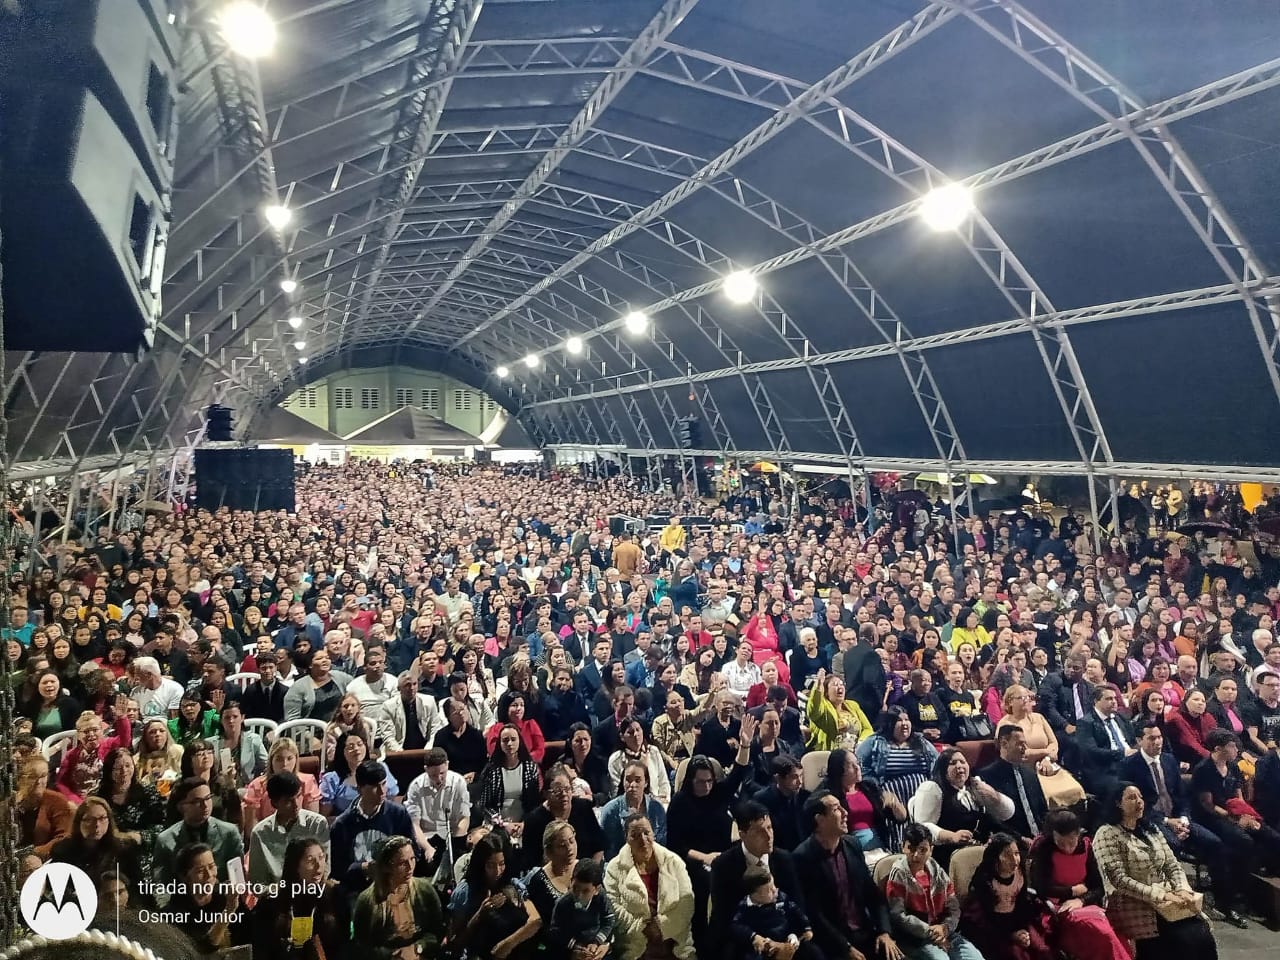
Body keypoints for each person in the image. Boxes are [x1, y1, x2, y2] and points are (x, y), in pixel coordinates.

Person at [1118, 720, 1238, 926]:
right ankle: (1175, 903)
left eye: (1159, 737)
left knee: (1215, 844)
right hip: (1151, 820)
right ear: (1139, 741)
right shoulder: (1129, 766)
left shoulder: (1168, 760)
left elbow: (1182, 797)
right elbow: (1135, 807)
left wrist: (1183, 819)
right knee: (1171, 845)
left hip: (1179, 818)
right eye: (1152, 738)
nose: (1157, 742)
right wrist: (1167, 821)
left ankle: (1222, 903)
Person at [1093, 783, 1217, 960]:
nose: (1139, 802)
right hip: (1132, 901)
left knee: (1201, 934)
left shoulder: (1151, 829)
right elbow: (1118, 880)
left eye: (1140, 797)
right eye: (1131, 798)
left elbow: (1172, 864)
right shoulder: (1106, 833)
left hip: (1168, 898)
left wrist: (1182, 888)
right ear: (1117, 803)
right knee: (1182, 941)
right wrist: (1161, 896)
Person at [792, 791, 902, 960]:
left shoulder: (852, 844)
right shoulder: (802, 857)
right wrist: (845, 948)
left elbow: (873, 895)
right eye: (837, 809)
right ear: (819, 820)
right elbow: (815, 914)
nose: (845, 813)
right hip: (833, 943)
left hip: (865, 932)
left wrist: (884, 932)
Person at [1026, 810, 1130, 960]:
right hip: (1057, 908)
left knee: (1114, 930)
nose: (1067, 848)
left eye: (1071, 842)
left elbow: (1098, 887)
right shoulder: (1044, 849)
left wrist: (1081, 900)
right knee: (1102, 933)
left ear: (1078, 834)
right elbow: (1041, 887)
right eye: (1061, 843)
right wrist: (1072, 891)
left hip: (1085, 904)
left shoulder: (1086, 847)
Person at [709, 800, 804, 958]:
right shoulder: (723, 865)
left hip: (783, 933)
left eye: (770, 828)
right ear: (742, 834)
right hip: (745, 937)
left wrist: (789, 940)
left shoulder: (784, 859)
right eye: (760, 832)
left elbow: (798, 903)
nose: (769, 836)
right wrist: (754, 938)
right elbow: (723, 916)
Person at [604, 813, 696, 960]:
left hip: (675, 943)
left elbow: (687, 903)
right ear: (626, 838)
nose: (643, 840)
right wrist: (643, 928)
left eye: (647, 833)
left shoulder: (673, 861)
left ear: (653, 833)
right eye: (635, 835)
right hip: (635, 946)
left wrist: (661, 926)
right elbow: (612, 907)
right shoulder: (615, 868)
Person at [884, 824, 984, 960]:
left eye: (922, 850)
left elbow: (953, 906)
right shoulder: (899, 874)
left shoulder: (937, 871)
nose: (916, 855)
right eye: (911, 849)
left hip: (943, 930)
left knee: (975, 957)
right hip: (916, 937)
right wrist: (931, 932)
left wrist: (945, 927)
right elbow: (899, 916)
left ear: (931, 850)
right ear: (903, 847)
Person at [1189, 727, 1280, 873]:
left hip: (1236, 811)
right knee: (1244, 840)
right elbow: (1208, 805)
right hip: (1214, 817)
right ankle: (1243, 881)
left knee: (1271, 835)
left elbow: (1239, 797)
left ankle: (1271, 872)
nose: (1236, 750)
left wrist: (1246, 815)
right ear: (1218, 749)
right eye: (1232, 746)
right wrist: (1236, 820)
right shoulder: (1203, 770)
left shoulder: (1233, 766)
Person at [331, 760, 422, 902]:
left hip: (394, 884)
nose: (382, 791)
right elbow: (337, 868)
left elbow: (414, 852)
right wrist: (363, 868)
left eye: (384, 784)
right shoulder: (343, 824)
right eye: (375, 786)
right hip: (357, 889)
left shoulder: (398, 814)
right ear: (360, 789)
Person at [909, 747, 1013, 867]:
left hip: (979, 852)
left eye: (963, 762)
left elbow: (1006, 814)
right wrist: (952, 836)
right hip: (947, 856)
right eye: (952, 763)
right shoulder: (932, 788)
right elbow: (923, 826)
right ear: (943, 769)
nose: (959, 766)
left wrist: (993, 795)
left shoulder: (973, 789)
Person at [449, 832, 541, 960]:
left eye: (501, 864)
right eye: (491, 865)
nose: (497, 871)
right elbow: (455, 941)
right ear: (481, 864)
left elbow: (536, 921)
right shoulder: (465, 891)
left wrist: (507, 945)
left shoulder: (514, 885)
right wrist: (480, 913)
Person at [253, 836, 347, 960]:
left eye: (321, 857)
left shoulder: (334, 896)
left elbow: (343, 944)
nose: (318, 865)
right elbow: (261, 947)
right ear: (295, 865)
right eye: (310, 860)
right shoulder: (272, 901)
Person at [959, 834, 1052, 960]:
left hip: (1016, 920)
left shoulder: (1019, 872)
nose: (1014, 860)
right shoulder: (986, 881)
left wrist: (1022, 929)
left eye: (1016, 853)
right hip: (993, 929)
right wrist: (1011, 935)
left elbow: (1022, 902)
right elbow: (983, 920)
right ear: (995, 857)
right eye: (1007, 855)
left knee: (1041, 949)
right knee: (1016, 955)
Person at [353, 835, 446, 960]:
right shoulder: (367, 901)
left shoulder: (425, 890)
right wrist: (393, 955)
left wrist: (418, 947)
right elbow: (362, 946)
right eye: (402, 863)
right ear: (386, 867)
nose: (410, 867)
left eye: (412, 859)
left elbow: (437, 931)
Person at [856, 707, 939, 846]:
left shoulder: (921, 742)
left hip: (921, 800)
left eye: (907, 720)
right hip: (891, 801)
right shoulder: (875, 742)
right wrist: (880, 792)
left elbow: (937, 763)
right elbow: (861, 767)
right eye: (899, 720)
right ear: (890, 724)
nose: (905, 723)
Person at [996, 684, 1084, 809]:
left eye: (1028, 697)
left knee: (1075, 789)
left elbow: (1054, 743)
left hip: (1048, 765)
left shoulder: (1039, 717)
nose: (1027, 701)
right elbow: (1021, 753)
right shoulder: (1006, 725)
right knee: (1048, 796)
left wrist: (1047, 759)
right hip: (1025, 770)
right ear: (1010, 702)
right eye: (1022, 698)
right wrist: (1046, 752)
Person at [153, 777, 245, 891]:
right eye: (197, 801)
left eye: (208, 798)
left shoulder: (229, 833)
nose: (205, 805)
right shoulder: (166, 840)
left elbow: (238, 881)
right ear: (181, 806)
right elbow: (161, 885)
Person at [248, 770, 332, 888]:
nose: (296, 805)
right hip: (275, 898)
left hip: (312, 892)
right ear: (275, 804)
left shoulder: (317, 824)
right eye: (288, 801)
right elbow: (257, 882)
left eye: (298, 797)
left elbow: (325, 869)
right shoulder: (260, 833)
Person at [520, 763, 606, 872]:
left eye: (567, 789)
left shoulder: (583, 807)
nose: (564, 794)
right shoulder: (533, 821)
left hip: (585, 874)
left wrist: (590, 873)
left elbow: (598, 847)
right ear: (546, 794)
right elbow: (531, 863)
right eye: (557, 790)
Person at [404, 747, 472, 881]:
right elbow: (415, 825)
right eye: (433, 775)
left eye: (442, 773)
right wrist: (427, 848)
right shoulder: (416, 786)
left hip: (451, 836)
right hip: (426, 838)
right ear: (426, 769)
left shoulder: (458, 782)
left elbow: (464, 818)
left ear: (447, 765)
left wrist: (454, 844)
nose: (438, 779)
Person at [819, 749, 904, 856]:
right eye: (851, 765)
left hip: (879, 850)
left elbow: (901, 818)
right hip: (851, 854)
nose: (857, 768)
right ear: (839, 770)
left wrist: (894, 803)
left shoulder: (868, 788)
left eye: (858, 763)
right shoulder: (830, 795)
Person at [47, 796, 140, 891]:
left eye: (102, 818)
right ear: (79, 822)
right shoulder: (63, 850)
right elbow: (55, 887)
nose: (97, 825)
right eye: (89, 820)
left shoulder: (123, 849)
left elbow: (135, 886)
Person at [166, 842, 244, 953]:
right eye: (200, 871)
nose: (209, 875)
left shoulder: (224, 896)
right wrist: (229, 910)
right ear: (185, 877)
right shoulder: (175, 912)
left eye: (212, 866)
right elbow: (202, 949)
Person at [730, 865, 820, 960]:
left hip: (786, 939)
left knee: (813, 952)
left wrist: (806, 927)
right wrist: (753, 936)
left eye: (773, 885)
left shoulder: (781, 897)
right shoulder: (745, 908)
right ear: (755, 896)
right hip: (765, 946)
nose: (774, 890)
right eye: (769, 890)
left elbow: (796, 911)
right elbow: (736, 925)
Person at [243, 736, 323, 835]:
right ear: (271, 761)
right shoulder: (257, 786)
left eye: (289, 758)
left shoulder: (307, 782)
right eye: (279, 759)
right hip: (266, 839)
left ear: (296, 759)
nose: (285, 764)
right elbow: (251, 830)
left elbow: (312, 824)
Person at [474, 723, 542, 836]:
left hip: (524, 823)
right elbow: (484, 805)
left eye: (513, 739)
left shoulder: (530, 767)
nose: (509, 743)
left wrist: (525, 823)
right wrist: (502, 824)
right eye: (505, 740)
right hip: (496, 824)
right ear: (500, 743)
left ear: (519, 741)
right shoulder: (492, 770)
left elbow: (534, 803)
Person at [548, 858, 618, 960]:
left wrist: (597, 943)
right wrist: (575, 947)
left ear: (596, 890)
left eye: (586, 891)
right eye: (575, 888)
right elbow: (556, 931)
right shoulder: (563, 904)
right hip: (572, 948)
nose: (579, 895)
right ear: (571, 881)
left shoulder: (601, 898)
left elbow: (609, 920)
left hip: (596, 946)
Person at [1074, 686, 1137, 797]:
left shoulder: (1120, 718)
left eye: (1115, 699)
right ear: (1096, 701)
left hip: (1130, 761)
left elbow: (1132, 740)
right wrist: (1121, 753)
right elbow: (1090, 752)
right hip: (1106, 768)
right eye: (1109, 699)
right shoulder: (1086, 723)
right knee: (1124, 787)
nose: (1114, 702)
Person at [321, 731, 400, 819]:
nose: (356, 749)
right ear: (341, 751)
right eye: (351, 747)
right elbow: (324, 816)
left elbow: (393, 799)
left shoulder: (380, 767)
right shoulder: (331, 778)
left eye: (360, 744)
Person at [601, 761, 668, 859]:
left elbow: (661, 845)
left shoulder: (657, 808)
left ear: (646, 782)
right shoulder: (610, 810)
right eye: (628, 780)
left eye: (638, 780)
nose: (632, 785)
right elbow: (608, 850)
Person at [805, 668, 873, 751]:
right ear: (826, 692)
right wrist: (818, 686)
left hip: (855, 753)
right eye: (835, 685)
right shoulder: (823, 708)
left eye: (841, 684)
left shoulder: (853, 705)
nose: (840, 687)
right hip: (832, 755)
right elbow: (813, 710)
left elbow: (867, 729)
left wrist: (861, 742)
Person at [1164, 688, 1217, 766]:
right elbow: (1192, 745)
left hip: (1206, 758)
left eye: (1203, 701)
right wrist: (1215, 759)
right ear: (1185, 702)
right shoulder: (1176, 718)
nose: (1200, 703)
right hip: (1186, 760)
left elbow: (1217, 738)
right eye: (1196, 699)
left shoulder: (1207, 717)